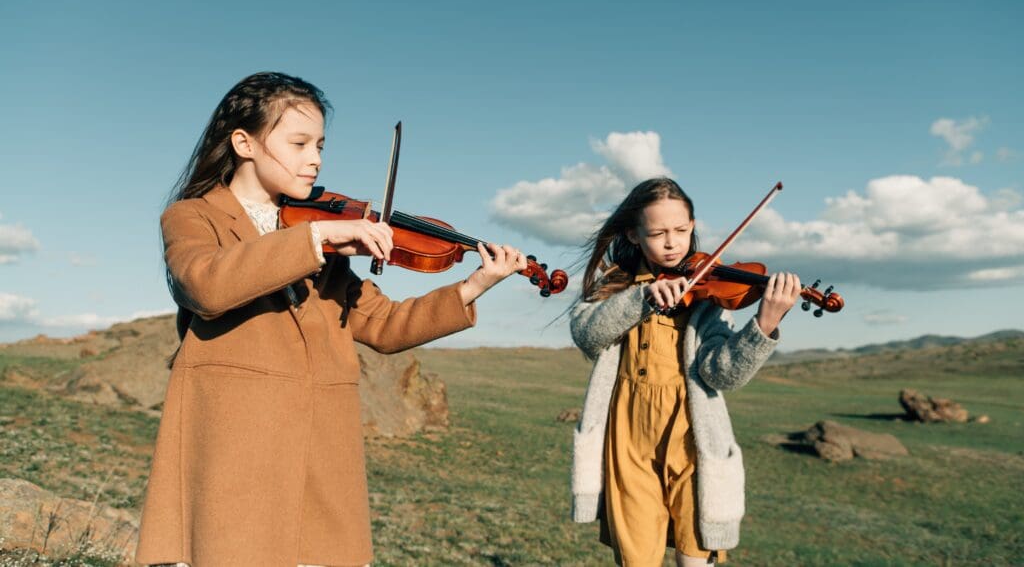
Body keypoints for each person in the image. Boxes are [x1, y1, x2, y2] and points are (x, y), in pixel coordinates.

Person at [136, 72, 527, 566]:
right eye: (298, 143)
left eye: (320, 144)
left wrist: (473, 287)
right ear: (244, 143)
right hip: (235, 445)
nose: (315, 158)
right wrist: (316, 239)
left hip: (321, 450)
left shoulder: (317, 233)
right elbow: (205, 285)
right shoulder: (194, 216)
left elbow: (384, 325)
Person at [569, 177, 801, 566]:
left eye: (681, 230)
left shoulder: (708, 295)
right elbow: (586, 334)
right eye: (658, 233)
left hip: (692, 441)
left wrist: (763, 326)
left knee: (695, 558)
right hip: (628, 444)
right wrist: (640, 299)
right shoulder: (618, 284)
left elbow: (722, 374)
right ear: (634, 234)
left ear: (693, 227)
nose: (672, 242)